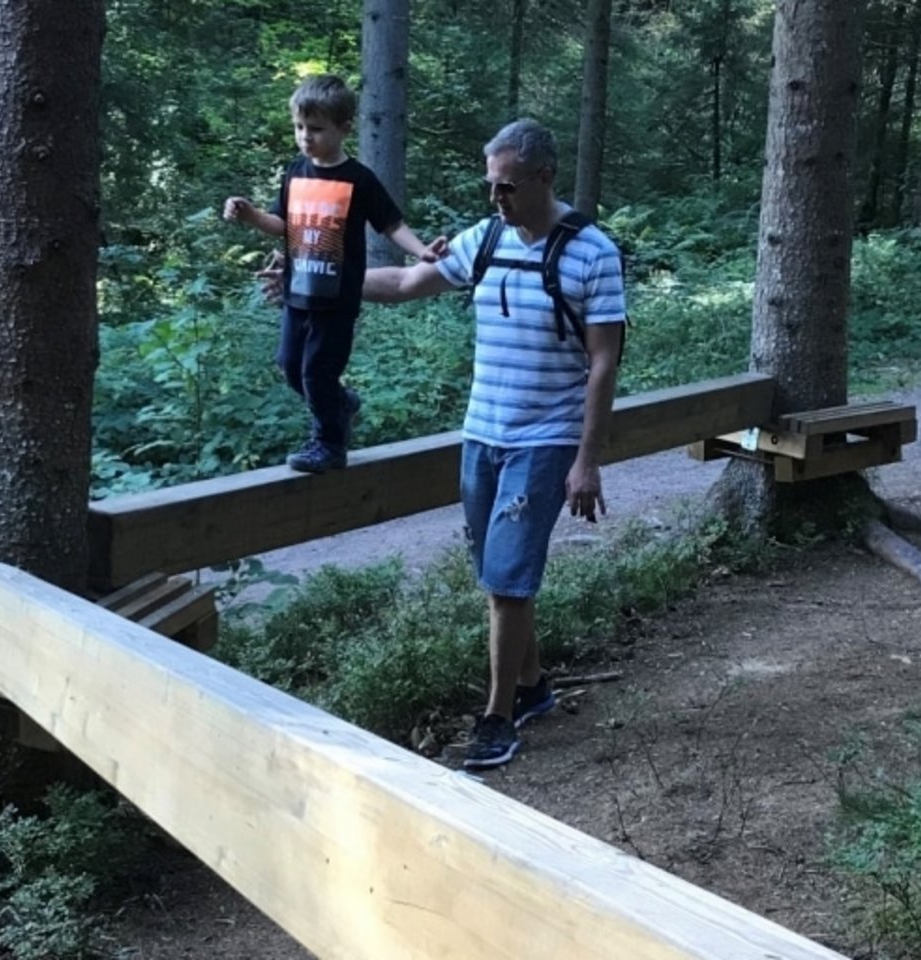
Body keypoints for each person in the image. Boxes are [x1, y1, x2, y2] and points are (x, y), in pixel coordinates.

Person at [263, 119, 626, 770]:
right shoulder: (484, 239)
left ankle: (497, 717)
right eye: (489, 185)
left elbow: (604, 361)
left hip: (547, 437)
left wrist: (587, 460)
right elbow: (404, 286)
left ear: (544, 177)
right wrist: (310, 278)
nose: (496, 199)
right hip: (481, 431)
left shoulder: (593, 252)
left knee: (508, 582)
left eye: (507, 186)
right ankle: (534, 686)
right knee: (497, 574)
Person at [224, 74, 447, 472]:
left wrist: (422, 252)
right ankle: (343, 405)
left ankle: (329, 443)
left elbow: (391, 224)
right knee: (291, 365)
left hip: (337, 297)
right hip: (298, 291)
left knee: (317, 371)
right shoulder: (296, 171)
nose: (305, 137)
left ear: (344, 128)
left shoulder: (358, 179)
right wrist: (251, 215)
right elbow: (283, 225)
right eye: (299, 127)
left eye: (316, 129)